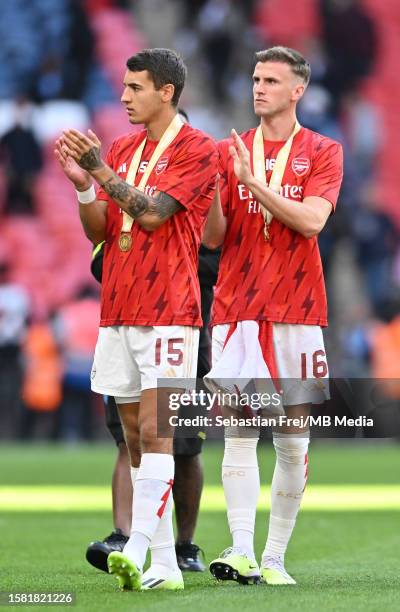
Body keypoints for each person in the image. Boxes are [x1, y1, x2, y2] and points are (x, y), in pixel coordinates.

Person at [55, 48, 218, 592]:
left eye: (134, 87)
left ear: (166, 91)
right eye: (123, 87)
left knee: (157, 429)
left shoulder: (198, 149)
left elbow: (151, 214)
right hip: (118, 307)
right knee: (132, 437)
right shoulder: (122, 148)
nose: (123, 97)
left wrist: (100, 168)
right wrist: (84, 183)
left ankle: (141, 547)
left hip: (171, 309)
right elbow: (101, 229)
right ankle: (167, 567)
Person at [203, 46, 343, 585]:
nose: (258, 88)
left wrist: (253, 182)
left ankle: (275, 557)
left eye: (270, 80)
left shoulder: (323, 150)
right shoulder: (226, 152)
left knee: (291, 438)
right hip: (238, 307)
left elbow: (310, 222)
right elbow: (214, 238)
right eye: (255, 78)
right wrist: (219, 189)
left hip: (298, 308)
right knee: (239, 433)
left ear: (297, 90)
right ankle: (240, 549)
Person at [85, 236, 219, 573]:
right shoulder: (126, 205)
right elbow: (100, 261)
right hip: (128, 331)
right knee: (129, 439)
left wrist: (158, 260)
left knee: (185, 446)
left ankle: (184, 545)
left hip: (185, 335)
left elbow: (216, 265)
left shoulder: (192, 206)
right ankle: (123, 535)